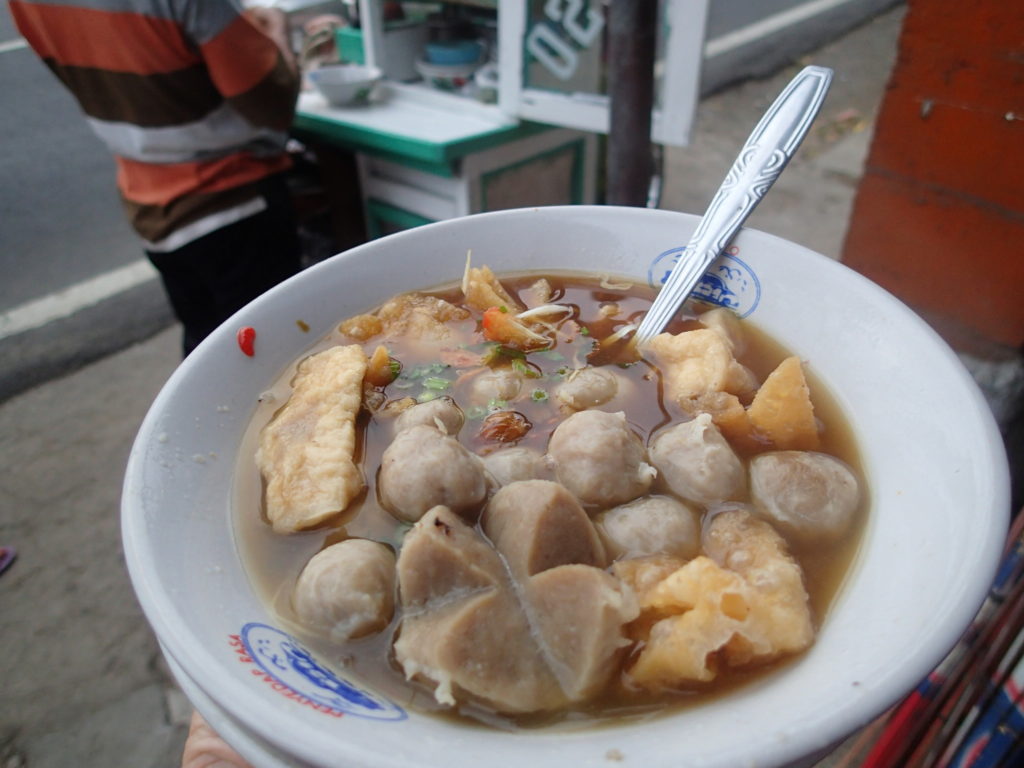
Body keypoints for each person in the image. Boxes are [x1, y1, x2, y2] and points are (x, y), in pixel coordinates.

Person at [10, 0, 304, 356]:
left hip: (147, 205)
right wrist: (275, 34)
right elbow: (271, 104)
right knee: (275, 357)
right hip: (234, 199)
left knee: (204, 345)